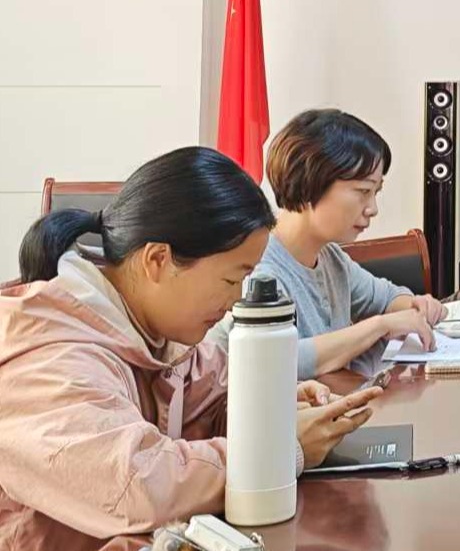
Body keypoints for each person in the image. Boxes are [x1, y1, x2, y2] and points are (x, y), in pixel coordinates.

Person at [0, 147, 383, 539]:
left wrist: (276, 406)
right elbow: (136, 487)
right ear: (157, 261)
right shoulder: (48, 360)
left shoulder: (159, 334)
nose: (236, 299)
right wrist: (277, 451)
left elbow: (215, 397)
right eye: (231, 279)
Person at [210, 109, 446, 379]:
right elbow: (274, 360)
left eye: (376, 192)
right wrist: (380, 326)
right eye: (363, 191)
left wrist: (416, 307)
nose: (372, 209)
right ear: (311, 182)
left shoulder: (330, 257)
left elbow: (387, 297)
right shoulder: (259, 271)